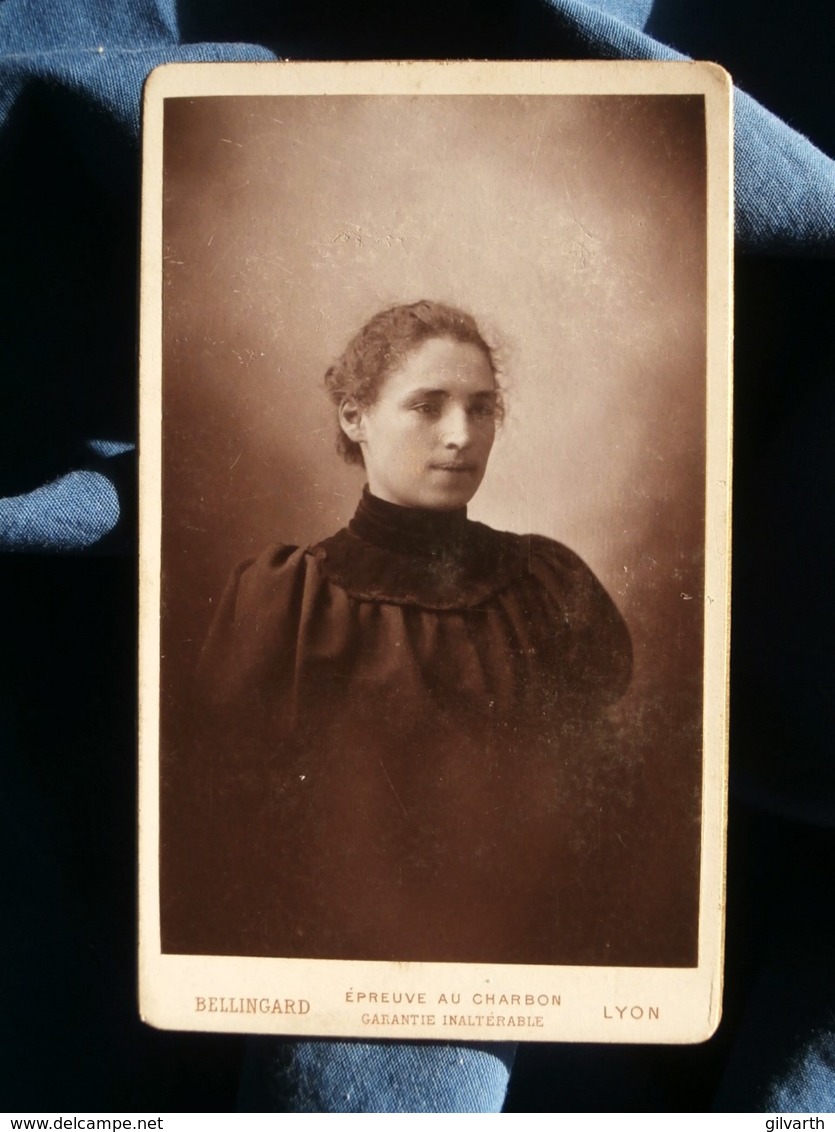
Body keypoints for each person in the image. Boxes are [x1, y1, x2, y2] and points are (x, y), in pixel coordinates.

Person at [170, 300, 633, 966]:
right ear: (353, 416)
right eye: (426, 407)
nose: (460, 436)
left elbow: (601, 822)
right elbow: (230, 840)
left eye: (481, 409)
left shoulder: (546, 584)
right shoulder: (286, 602)